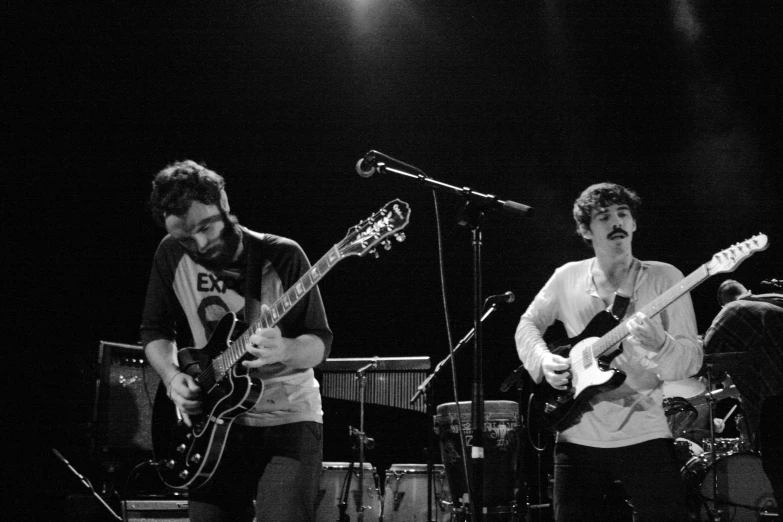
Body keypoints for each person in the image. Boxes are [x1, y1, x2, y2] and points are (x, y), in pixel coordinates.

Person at [140, 160, 333, 522]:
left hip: (287, 419)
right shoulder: (169, 254)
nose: (199, 244)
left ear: (224, 204)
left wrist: (287, 349)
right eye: (186, 237)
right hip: (211, 425)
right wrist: (170, 377)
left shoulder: (282, 254)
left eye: (206, 227)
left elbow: (320, 342)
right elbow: (154, 330)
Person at [515, 182, 702, 522]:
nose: (616, 221)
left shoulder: (666, 278)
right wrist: (543, 360)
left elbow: (690, 360)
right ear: (586, 230)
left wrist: (661, 344)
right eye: (604, 216)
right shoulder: (566, 277)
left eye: (623, 214)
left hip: (644, 430)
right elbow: (527, 325)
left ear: (633, 224)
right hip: (576, 433)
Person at [703, 279, 783, 506]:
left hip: (777, 402)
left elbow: (705, 355)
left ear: (723, 303)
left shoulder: (731, 310)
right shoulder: (773, 302)